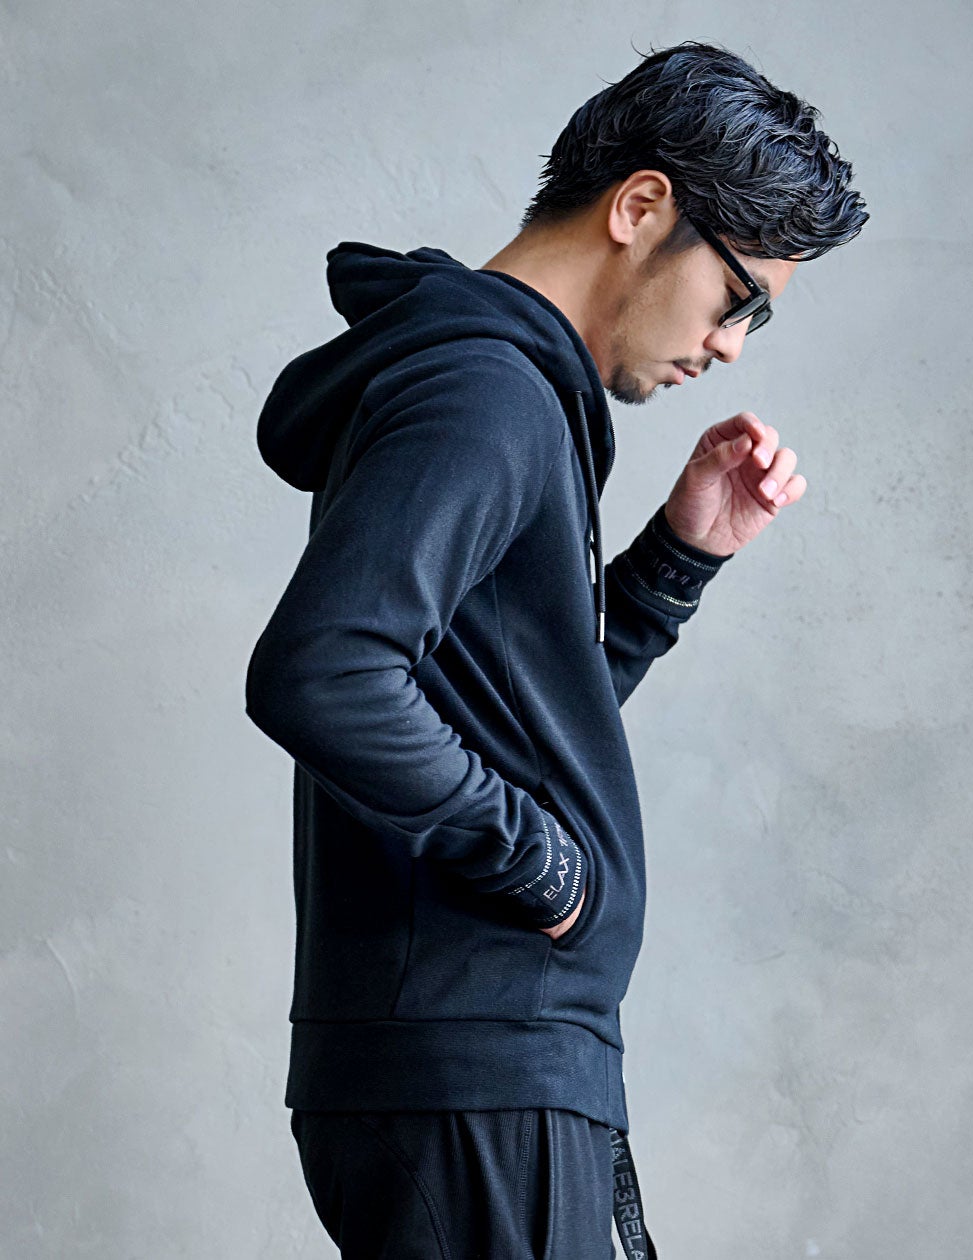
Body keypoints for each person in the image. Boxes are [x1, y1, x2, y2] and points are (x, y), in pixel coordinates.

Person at [244, 38, 868, 1260]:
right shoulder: (487, 394)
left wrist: (675, 562)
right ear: (641, 208)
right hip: (478, 1069)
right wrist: (550, 875)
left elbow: (511, 712)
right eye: (740, 298)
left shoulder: (503, 391)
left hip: (489, 1067)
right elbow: (323, 670)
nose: (732, 346)